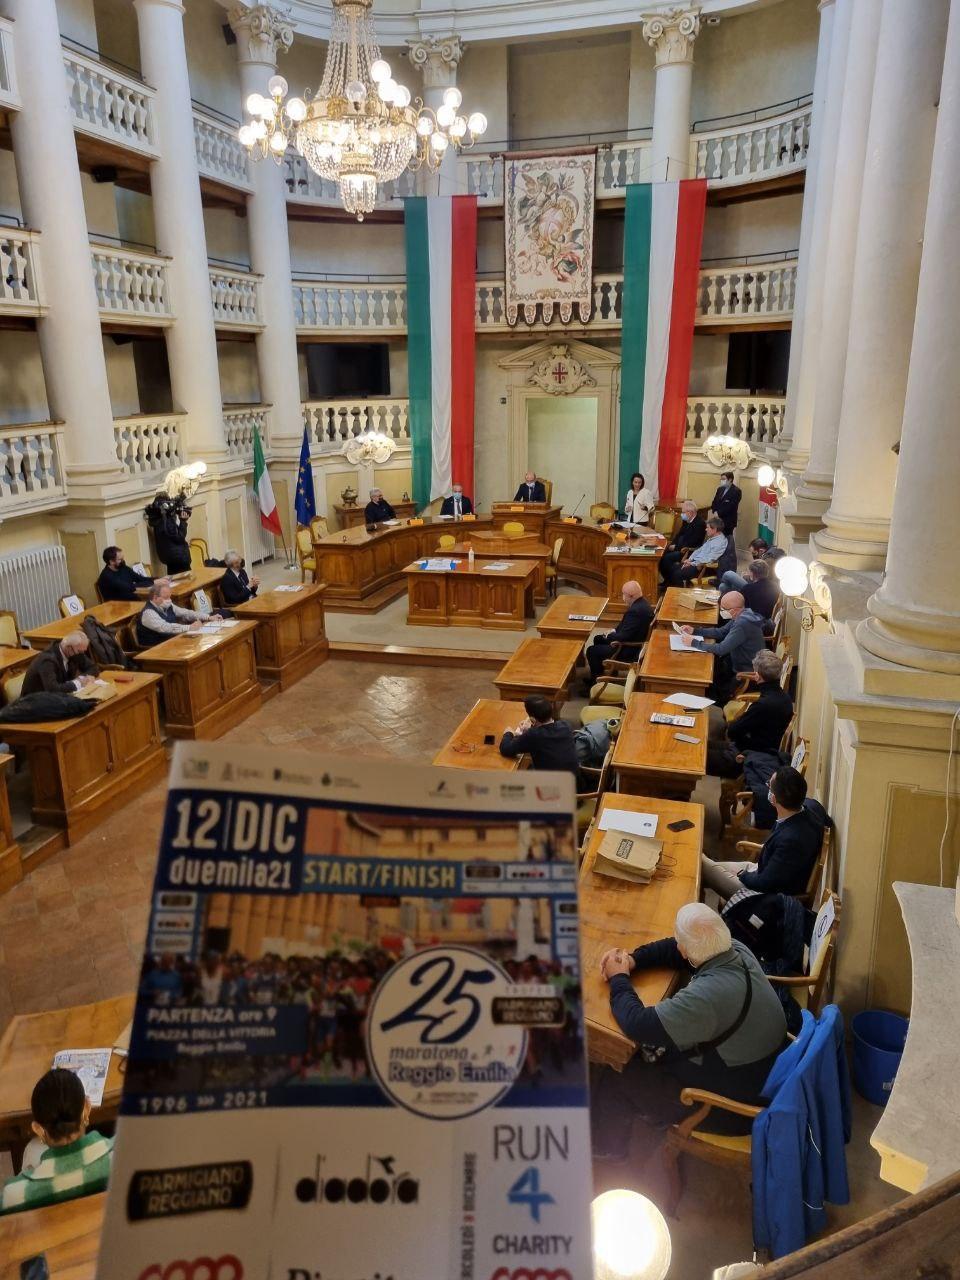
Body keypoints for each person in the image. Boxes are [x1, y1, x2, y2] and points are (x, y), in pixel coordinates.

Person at [590, 903, 788, 1156]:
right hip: (764, 1069)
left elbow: (638, 1024)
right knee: (654, 1051)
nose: (678, 947)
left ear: (686, 950)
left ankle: (608, 1148)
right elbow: (674, 949)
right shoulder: (734, 948)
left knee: (621, 1073)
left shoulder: (706, 997)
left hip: (735, 1107)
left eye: (680, 943)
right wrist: (633, 959)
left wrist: (619, 977)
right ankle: (651, 1115)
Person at [701, 767, 826, 902]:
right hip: (763, 869)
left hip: (761, 894)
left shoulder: (790, 840)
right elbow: (825, 819)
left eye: (769, 785)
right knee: (703, 865)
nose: (767, 787)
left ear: (773, 798)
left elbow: (764, 884)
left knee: (702, 865)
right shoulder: (812, 807)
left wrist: (743, 875)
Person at [0, 1069, 114, 1214]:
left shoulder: (13, 1196)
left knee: (32, 1149)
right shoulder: (124, 1158)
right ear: (86, 1108)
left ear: (38, 1129)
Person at [707, 649, 793, 777]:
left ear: (757, 675)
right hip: (759, 751)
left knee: (696, 753)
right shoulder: (785, 698)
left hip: (745, 758)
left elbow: (733, 731)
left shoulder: (763, 705)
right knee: (703, 743)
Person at [680, 590, 766, 705]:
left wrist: (694, 643)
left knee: (711, 685)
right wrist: (695, 630)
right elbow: (721, 632)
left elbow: (721, 649)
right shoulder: (744, 614)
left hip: (745, 675)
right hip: (736, 664)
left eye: (723, 609)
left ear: (734, 610)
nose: (721, 612)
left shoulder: (743, 624)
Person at [585, 580, 654, 681]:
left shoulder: (635, 611)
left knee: (591, 651)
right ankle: (609, 673)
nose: (623, 598)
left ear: (631, 596)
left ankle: (595, 682)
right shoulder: (642, 604)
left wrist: (609, 636)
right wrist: (613, 631)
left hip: (628, 649)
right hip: (631, 641)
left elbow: (624, 637)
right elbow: (626, 626)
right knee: (598, 638)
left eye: (623, 594)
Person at [499, 694, 579, 775]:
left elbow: (506, 749)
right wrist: (530, 729)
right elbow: (547, 735)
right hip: (575, 781)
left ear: (532, 719)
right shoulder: (566, 725)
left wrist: (508, 733)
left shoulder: (533, 735)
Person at [136, 583, 220, 648]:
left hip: (171, 642)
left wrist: (208, 617)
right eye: (166, 597)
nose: (169, 600)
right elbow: (165, 627)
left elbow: (186, 613)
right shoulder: (148, 613)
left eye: (170, 597)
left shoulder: (167, 605)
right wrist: (189, 627)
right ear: (155, 598)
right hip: (156, 649)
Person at [659, 516, 728, 587]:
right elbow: (699, 550)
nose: (705, 529)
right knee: (672, 568)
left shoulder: (720, 542)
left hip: (703, 567)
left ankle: (680, 593)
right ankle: (669, 588)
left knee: (677, 574)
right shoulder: (713, 538)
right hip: (696, 562)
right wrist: (689, 559)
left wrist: (692, 563)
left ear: (715, 529)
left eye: (708, 528)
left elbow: (710, 559)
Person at [21, 632, 98, 696]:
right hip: (33, 703)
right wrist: (78, 683)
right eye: (80, 652)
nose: (82, 654)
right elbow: (53, 690)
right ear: (69, 648)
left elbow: (93, 668)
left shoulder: (75, 651)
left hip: (55, 698)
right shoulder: (47, 660)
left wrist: (83, 679)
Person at [97, 546, 166, 602]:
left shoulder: (123, 568)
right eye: (120, 559)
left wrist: (158, 578)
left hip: (132, 601)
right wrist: (153, 582)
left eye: (123, 558)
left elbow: (140, 579)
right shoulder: (107, 576)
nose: (123, 561)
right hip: (118, 607)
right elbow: (129, 587)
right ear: (111, 561)